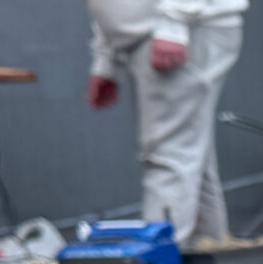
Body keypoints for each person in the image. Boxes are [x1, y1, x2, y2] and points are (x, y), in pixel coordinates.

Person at [86, 1, 247, 244]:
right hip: (163, 29)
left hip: (183, 24)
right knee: (190, 159)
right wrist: (107, 56)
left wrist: (174, 19)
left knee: (171, 156)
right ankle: (207, 260)